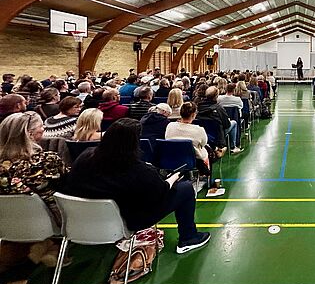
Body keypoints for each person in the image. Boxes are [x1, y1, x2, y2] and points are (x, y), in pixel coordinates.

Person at [62, 118, 210, 254]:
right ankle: (188, 237)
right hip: (127, 219)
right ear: (134, 142)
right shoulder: (137, 170)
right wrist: (173, 178)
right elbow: (161, 191)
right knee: (185, 188)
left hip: (80, 220)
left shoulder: (85, 156)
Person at [0, 112, 67, 223]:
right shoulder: (48, 161)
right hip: (50, 223)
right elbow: (69, 184)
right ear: (29, 134)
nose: (44, 128)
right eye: (41, 126)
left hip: (6, 226)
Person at [165, 102, 210, 175]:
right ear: (193, 115)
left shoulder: (170, 126)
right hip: (192, 160)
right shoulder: (199, 129)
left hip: (171, 158)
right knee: (207, 151)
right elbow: (203, 143)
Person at [196, 86, 238, 154]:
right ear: (216, 96)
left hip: (203, 134)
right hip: (218, 135)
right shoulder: (219, 108)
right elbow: (227, 125)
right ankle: (233, 147)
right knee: (234, 123)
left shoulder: (199, 107)